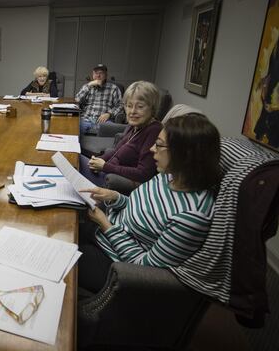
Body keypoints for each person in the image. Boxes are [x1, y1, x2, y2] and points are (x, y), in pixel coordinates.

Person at [77, 114, 221, 294]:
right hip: (107, 229)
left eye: (159, 145)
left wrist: (105, 224)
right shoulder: (167, 175)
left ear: (185, 154)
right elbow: (142, 208)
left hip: (114, 261)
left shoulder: (192, 216)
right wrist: (115, 197)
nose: (152, 149)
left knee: (57, 253)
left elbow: (145, 266)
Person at [79, 81, 162, 188]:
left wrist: (105, 167)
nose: (132, 111)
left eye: (140, 107)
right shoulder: (134, 125)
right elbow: (115, 151)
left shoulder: (154, 131)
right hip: (107, 170)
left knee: (72, 162)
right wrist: (97, 160)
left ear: (152, 108)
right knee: (71, 158)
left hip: (113, 179)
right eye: (129, 105)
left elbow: (143, 174)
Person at [75, 64, 123, 134]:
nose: (98, 75)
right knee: (73, 128)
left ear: (106, 75)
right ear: (93, 75)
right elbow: (76, 100)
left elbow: (120, 105)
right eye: (96, 73)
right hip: (86, 119)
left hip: (104, 121)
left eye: (101, 73)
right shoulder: (87, 86)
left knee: (113, 131)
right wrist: (88, 85)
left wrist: (109, 114)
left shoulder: (114, 88)